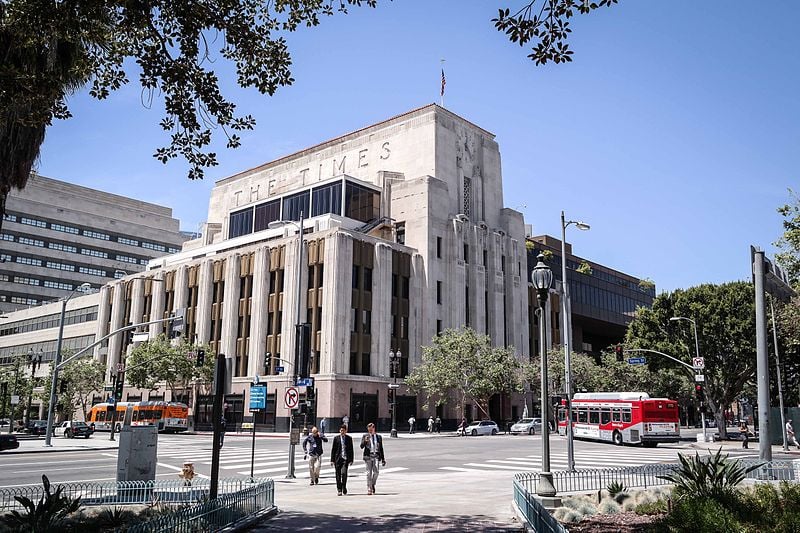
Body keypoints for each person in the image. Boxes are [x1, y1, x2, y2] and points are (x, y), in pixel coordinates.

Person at [360, 422, 386, 495]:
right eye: (369, 429)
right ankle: (369, 488)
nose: (370, 431)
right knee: (368, 473)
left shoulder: (378, 437)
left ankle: (372, 484)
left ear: (374, 428)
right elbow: (361, 446)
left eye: (371, 429)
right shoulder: (365, 436)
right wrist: (365, 441)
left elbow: (381, 448)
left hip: (376, 456)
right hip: (368, 456)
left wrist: (383, 459)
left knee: (376, 472)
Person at [330, 424, 354, 496]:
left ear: (346, 431)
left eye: (343, 430)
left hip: (345, 459)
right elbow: (333, 450)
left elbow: (351, 449)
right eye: (341, 430)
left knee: (344, 473)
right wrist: (332, 460)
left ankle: (344, 486)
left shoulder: (349, 439)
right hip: (338, 459)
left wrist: (351, 459)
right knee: (337, 475)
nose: (342, 432)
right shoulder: (336, 438)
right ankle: (339, 489)